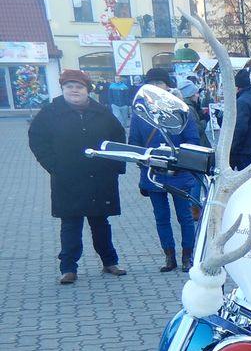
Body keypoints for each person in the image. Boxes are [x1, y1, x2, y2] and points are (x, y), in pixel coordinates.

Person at [28, 69, 128, 284]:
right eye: (69, 87)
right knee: (71, 225)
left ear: (87, 90)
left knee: (100, 223)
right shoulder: (50, 113)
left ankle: (109, 262)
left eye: (79, 87)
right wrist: (54, 166)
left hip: (99, 178)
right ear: (63, 89)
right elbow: (37, 140)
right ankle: (68, 268)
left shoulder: (102, 112)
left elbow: (118, 138)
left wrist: (115, 167)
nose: (74, 90)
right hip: (68, 179)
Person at [130, 68, 201, 272]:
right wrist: (146, 158)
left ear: (167, 86)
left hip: (179, 173)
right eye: (151, 83)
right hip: (154, 175)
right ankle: (169, 258)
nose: (154, 87)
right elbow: (135, 142)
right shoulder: (140, 114)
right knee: (161, 218)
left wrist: (177, 157)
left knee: (185, 217)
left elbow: (192, 141)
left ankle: (188, 256)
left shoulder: (181, 111)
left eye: (158, 83)